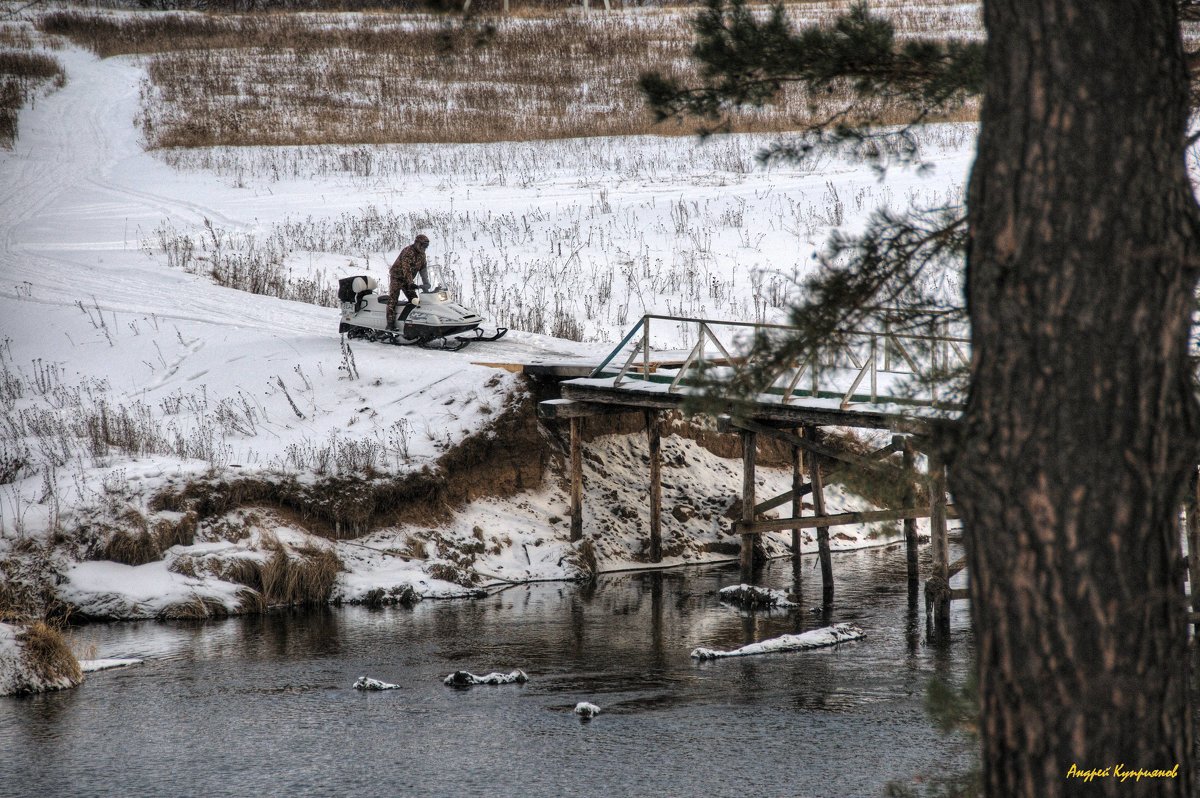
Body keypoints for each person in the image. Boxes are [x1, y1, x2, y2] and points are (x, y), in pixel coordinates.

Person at [386, 234, 433, 329]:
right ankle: (390, 324)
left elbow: (423, 270)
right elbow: (406, 268)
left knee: (414, 300)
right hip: (397, 277)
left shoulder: (422, 255)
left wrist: (426, 283)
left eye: (426, 246)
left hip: (408, 279)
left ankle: (413, 324)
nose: (425, 248)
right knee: (393, 299)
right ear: (417, 243)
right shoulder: (408, 251)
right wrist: (410, 283)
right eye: (423, 245)